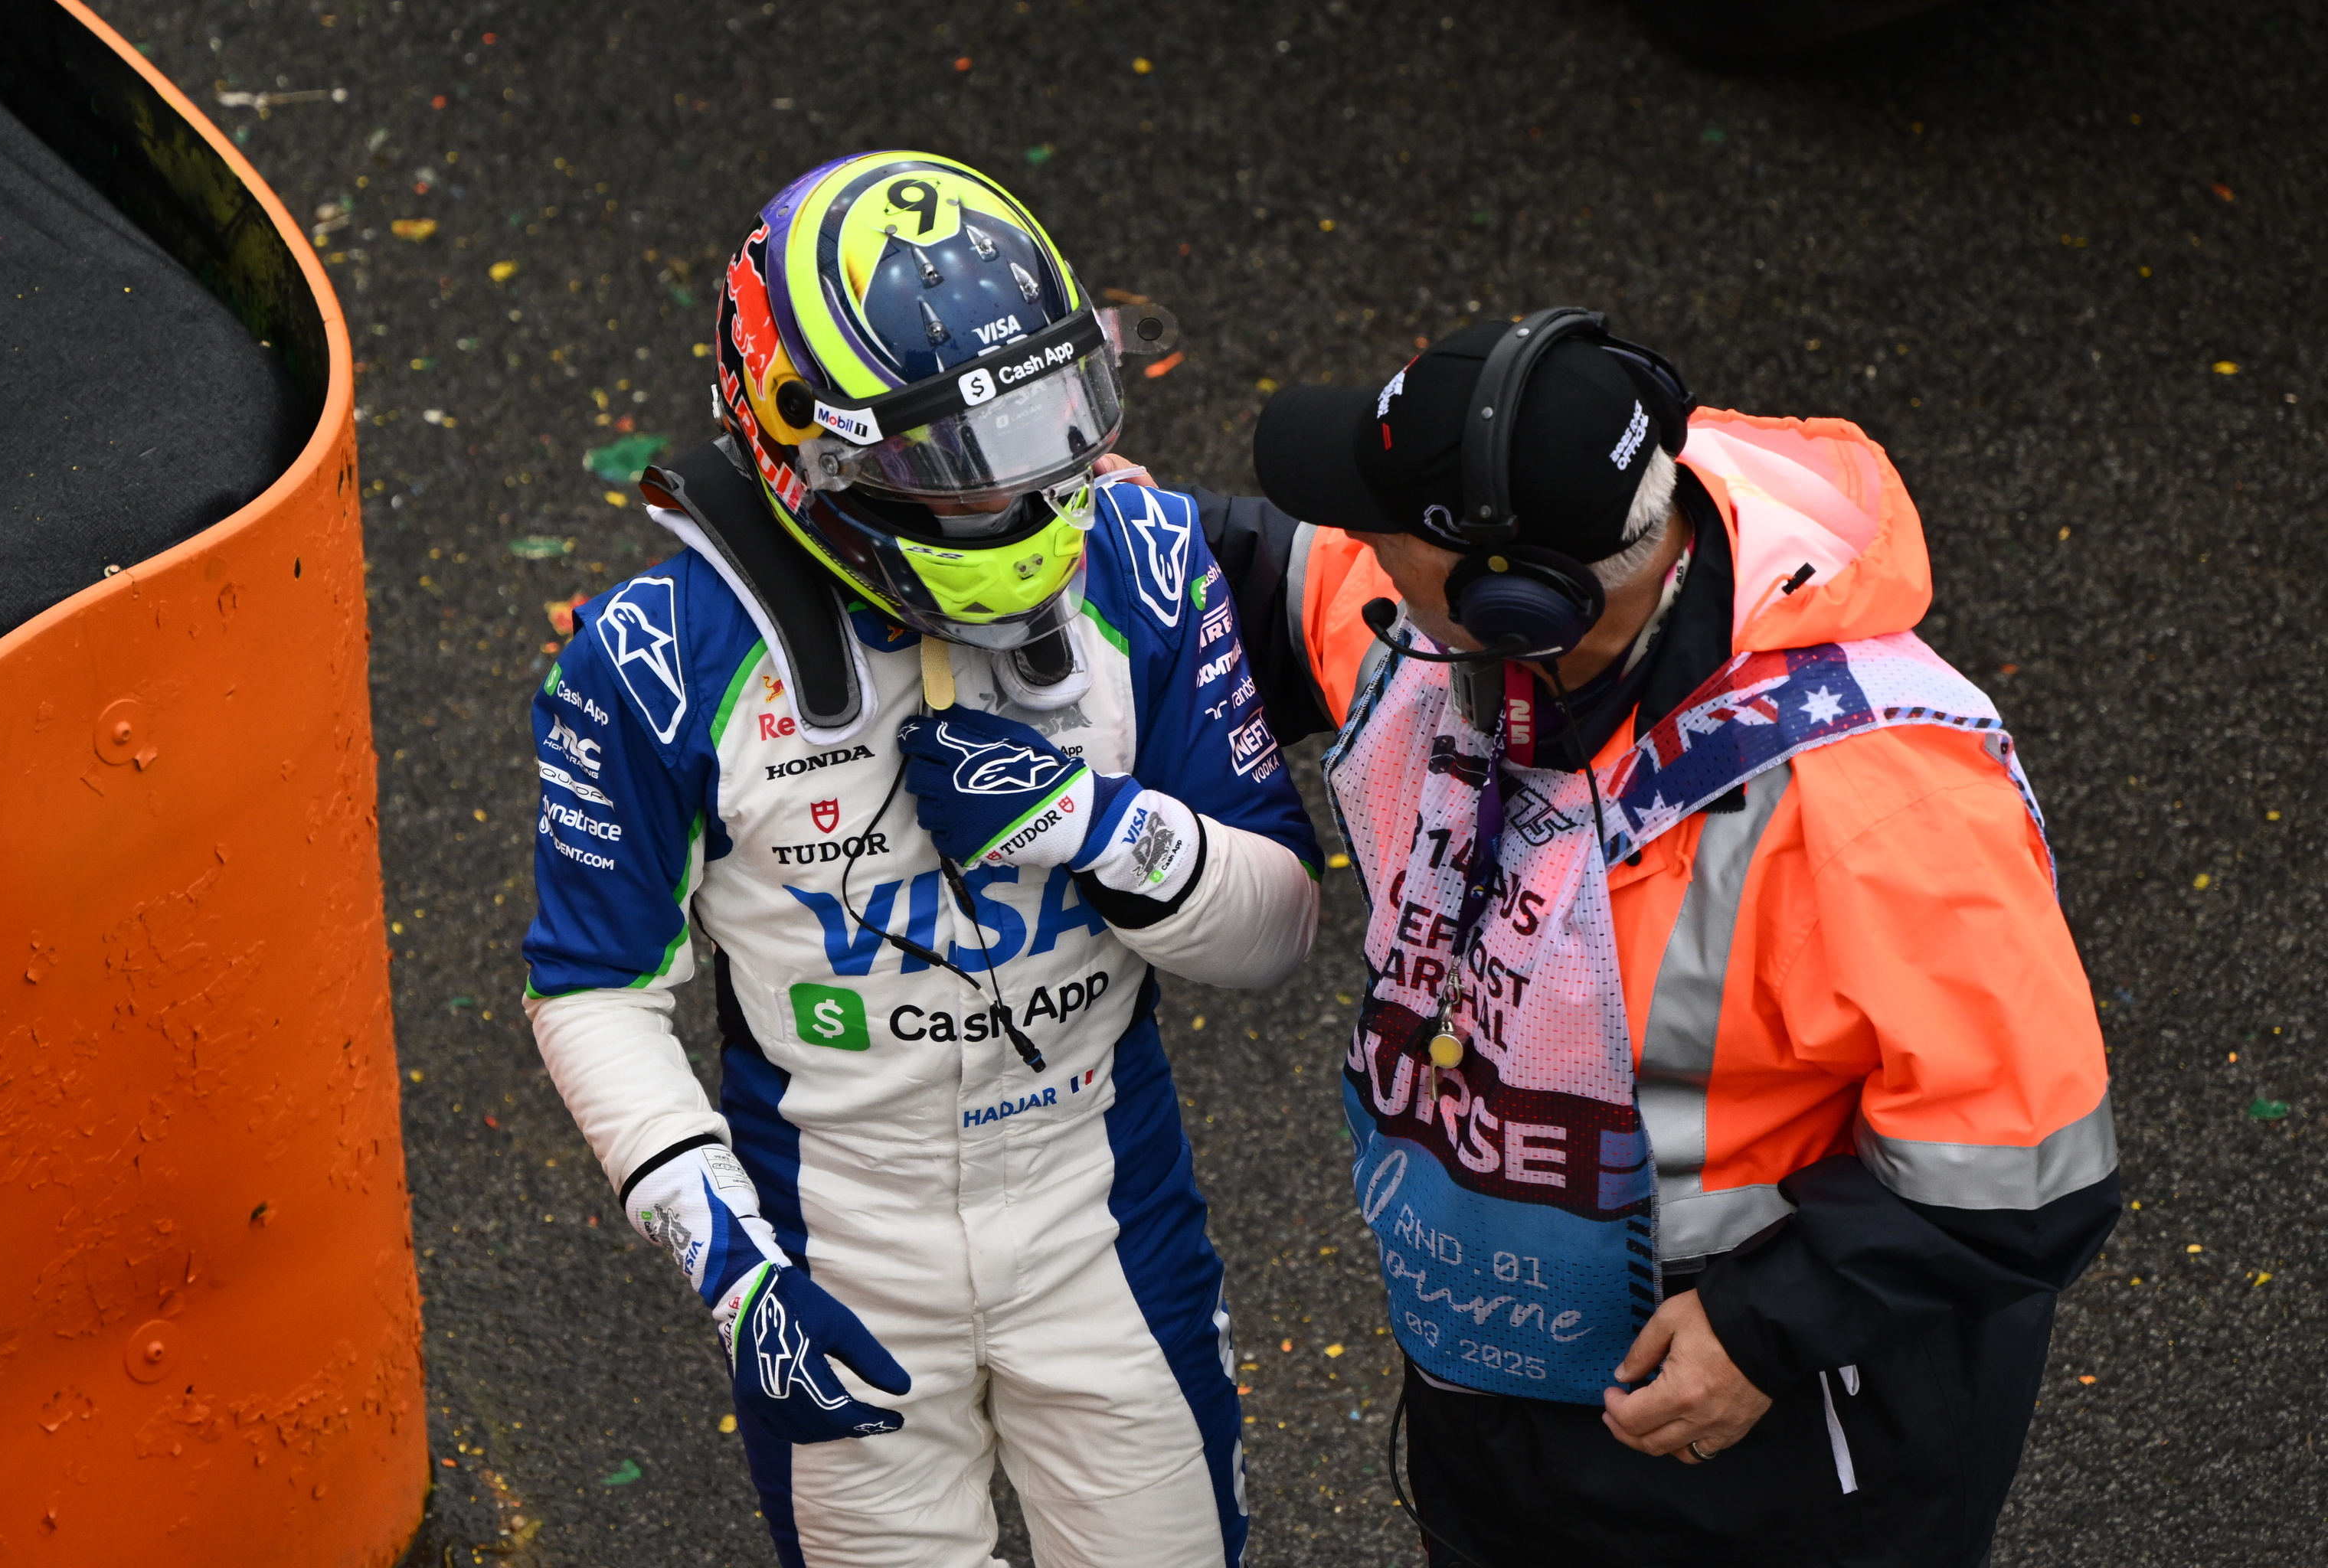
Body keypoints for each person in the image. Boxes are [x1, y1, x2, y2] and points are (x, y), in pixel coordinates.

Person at [1195, 310, 2117, 1566]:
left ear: (1516, 598)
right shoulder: (1482, 597)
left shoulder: (1874, 801)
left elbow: (2026, 1171)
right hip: (1500, 1396)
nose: (1355, 546)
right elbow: (1248, 577)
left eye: (1383, 527)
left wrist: (1764, 1329)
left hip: (1774, 1444)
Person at [521, 152, 1320, 1568]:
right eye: (945, 456)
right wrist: (732, 1268)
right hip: (836, 1242)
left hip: (1105, 1214)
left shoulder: (1141, 553)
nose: (1006, 491)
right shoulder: (651, 655)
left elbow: (1276, 934)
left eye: (1036, 419)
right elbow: (593, 987)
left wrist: (1093, 826)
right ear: (798, 434)